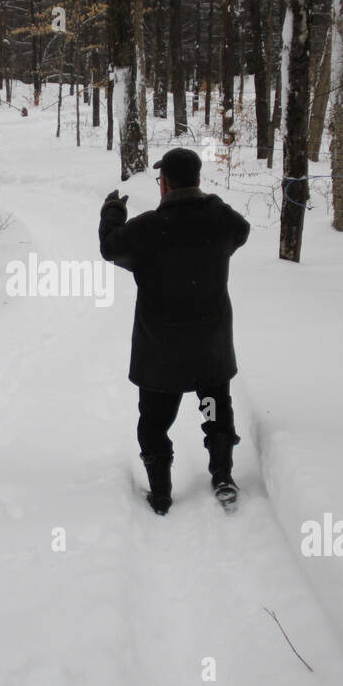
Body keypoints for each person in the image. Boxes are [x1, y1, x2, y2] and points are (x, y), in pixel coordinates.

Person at [98, 147, 250, 515]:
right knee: (215, 411)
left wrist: (112, 211)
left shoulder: (148, 228)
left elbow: (110, 247)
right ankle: (223, 477)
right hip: (209, 348)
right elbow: (241, 229)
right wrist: (208, 200)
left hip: (160, 352)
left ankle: (162, 494)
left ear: (164, 183)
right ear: (198, 180)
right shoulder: (219, 221)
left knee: (154, 422)